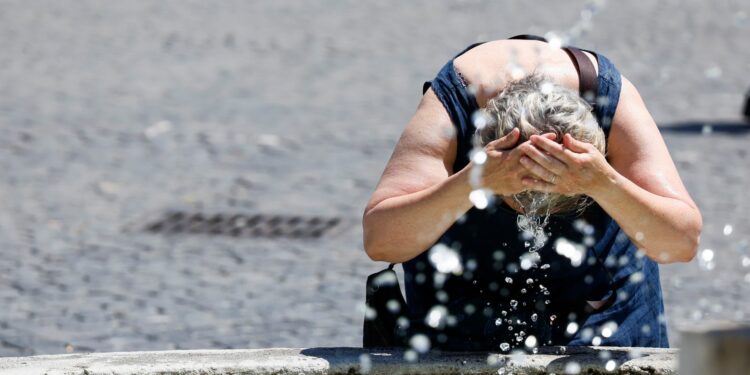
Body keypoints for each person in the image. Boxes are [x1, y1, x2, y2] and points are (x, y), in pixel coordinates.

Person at [362, 36, 702, 351]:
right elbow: (380, 241)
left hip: (606, 304)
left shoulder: (613, 102)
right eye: (514, 200)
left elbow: (681, 242)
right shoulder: (452, 105)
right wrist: (473, 182)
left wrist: (604, 183)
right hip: (464, 303)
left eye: (568, 201)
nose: (533, 215)